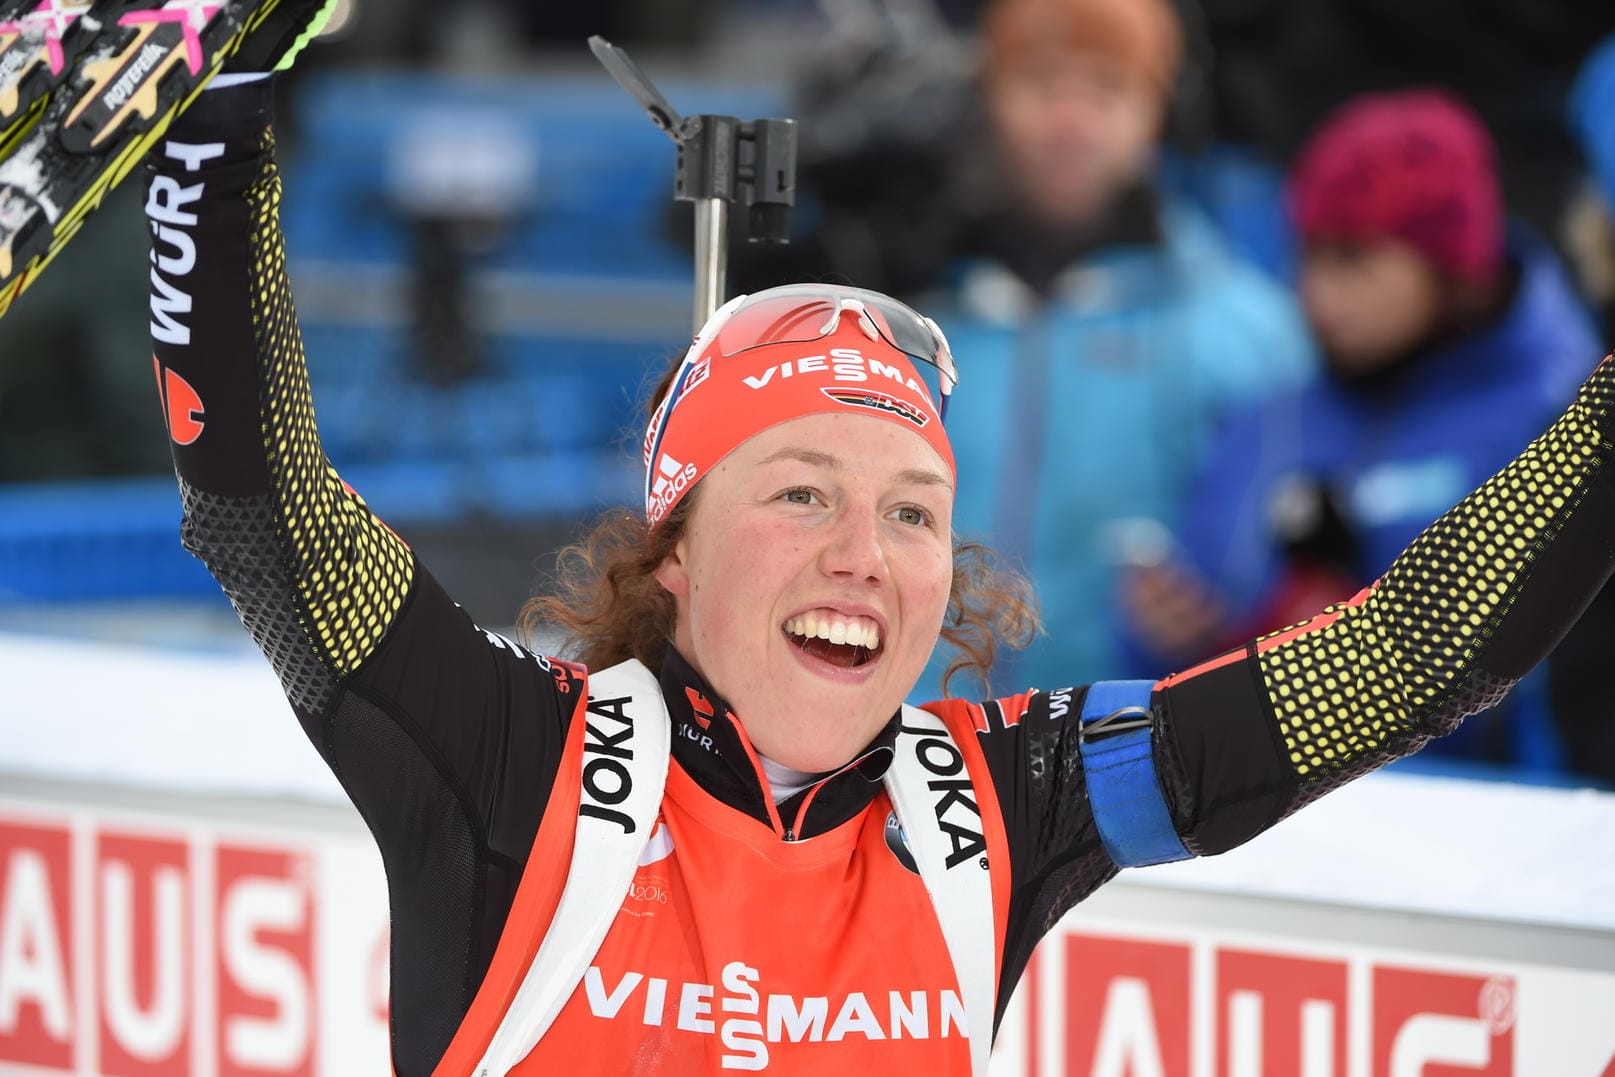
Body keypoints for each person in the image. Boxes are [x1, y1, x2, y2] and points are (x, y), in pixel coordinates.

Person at [147, 9, 1615, 1075]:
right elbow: (263, 514)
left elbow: (1413, 649)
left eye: (912, 510)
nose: (865, 548)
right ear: (673, 551)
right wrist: (218, 123)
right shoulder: (511, 764)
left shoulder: (1004, 806)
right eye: (797, 490)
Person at [1121, 88, 1600, 771]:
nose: (1315, 295)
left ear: (1447, 262)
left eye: (1351, 260)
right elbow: (1174, 659)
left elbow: (1565, 688)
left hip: (1482, 836)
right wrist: (1166, 635)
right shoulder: (1270, 419)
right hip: (1261, 823)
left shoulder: (1558, 418)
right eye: (1307, 256)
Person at [928, 0, 1315, 692]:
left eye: (1108, 88)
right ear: (987, 98)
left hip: (1138, 767)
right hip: (914, 753)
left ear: (1163, 109)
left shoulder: (1251, 331)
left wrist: (1235, 598)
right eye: (1041, 84)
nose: (1070, 122)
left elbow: (1310, 561)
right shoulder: (903, 315)